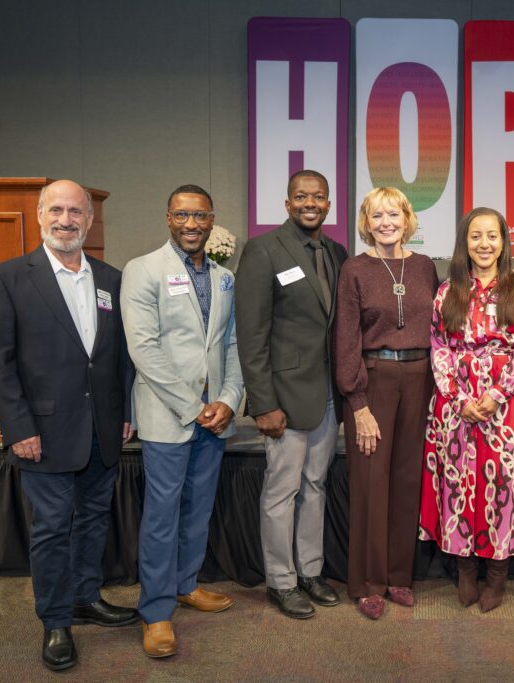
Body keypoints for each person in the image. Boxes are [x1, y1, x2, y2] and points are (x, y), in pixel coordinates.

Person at [0, 179, 137, 671]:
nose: (66, 220)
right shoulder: (7, 278)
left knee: (92, 520)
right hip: (42, 433)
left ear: (89, 219)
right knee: (51, 529)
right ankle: (54, 620)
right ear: (40, 214)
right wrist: (17, 427)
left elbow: (119, 357)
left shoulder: (110, 278)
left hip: (102, 429)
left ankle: (85, 598)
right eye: (57, 210)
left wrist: (125, 412)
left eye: (75, 212)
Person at [121, 184, 243, 657]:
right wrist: (194, 407)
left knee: (198, 509)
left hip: (215, 418)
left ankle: (186, 584)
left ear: (212, 220)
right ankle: (155, 612)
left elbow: (230, 345)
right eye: (182, 215)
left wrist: (228, 400)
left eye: (200, 216)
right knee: (162, 515)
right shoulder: (144, 270)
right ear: (168, 219)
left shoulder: (224, 277)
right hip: (170, 416)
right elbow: (144, 349)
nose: (192, 224)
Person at [417, 207, 514, 613]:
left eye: (492, 236)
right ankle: (466, 570)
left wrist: (497, 394)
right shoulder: (448, 290)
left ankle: (497, 575)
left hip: (507, 406)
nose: (484, 244)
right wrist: (457, 398)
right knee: (458, 484)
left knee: (502, 486)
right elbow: (439, 346)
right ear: (464, 242)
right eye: (476, 236)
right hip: (456, 404)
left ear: (504, 241)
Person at [236, 170, 348, 620]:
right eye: (301, 196)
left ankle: (310, 571)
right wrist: (263, 403)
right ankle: (281, 581)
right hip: (283, 398)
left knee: (316, 485)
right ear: (287, 203)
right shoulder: (263, 250)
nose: (310, 203)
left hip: (326, 396)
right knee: (282, 490)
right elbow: (251, 334)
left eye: (318, 197)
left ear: (328, 204)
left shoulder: (336, 253)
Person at [334, 187, 439, 619]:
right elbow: (346, 340)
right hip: (373, 379)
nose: (386, 223)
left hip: (420, 379)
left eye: (393, 214)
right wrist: (358, 404)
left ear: (407, 219)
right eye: (377, 215)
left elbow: (438, 331)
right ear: (366, 222)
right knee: (370, 482)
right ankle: (369, 582)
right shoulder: (355, 269)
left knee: (407, 480)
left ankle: (399, 577)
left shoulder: (425, 266)